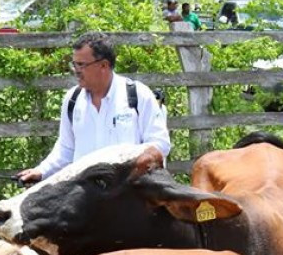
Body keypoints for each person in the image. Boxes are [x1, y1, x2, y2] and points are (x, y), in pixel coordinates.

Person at [16, 32, 171, 184]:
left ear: (103, 65)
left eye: (81, 65)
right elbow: (66, 149)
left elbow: (160, 145)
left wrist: (124, 166)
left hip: (125, 194)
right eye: (74, 64)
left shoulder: (138, 95)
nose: (76, 70)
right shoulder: (72, 100)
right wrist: (41, 171)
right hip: (83, 195)